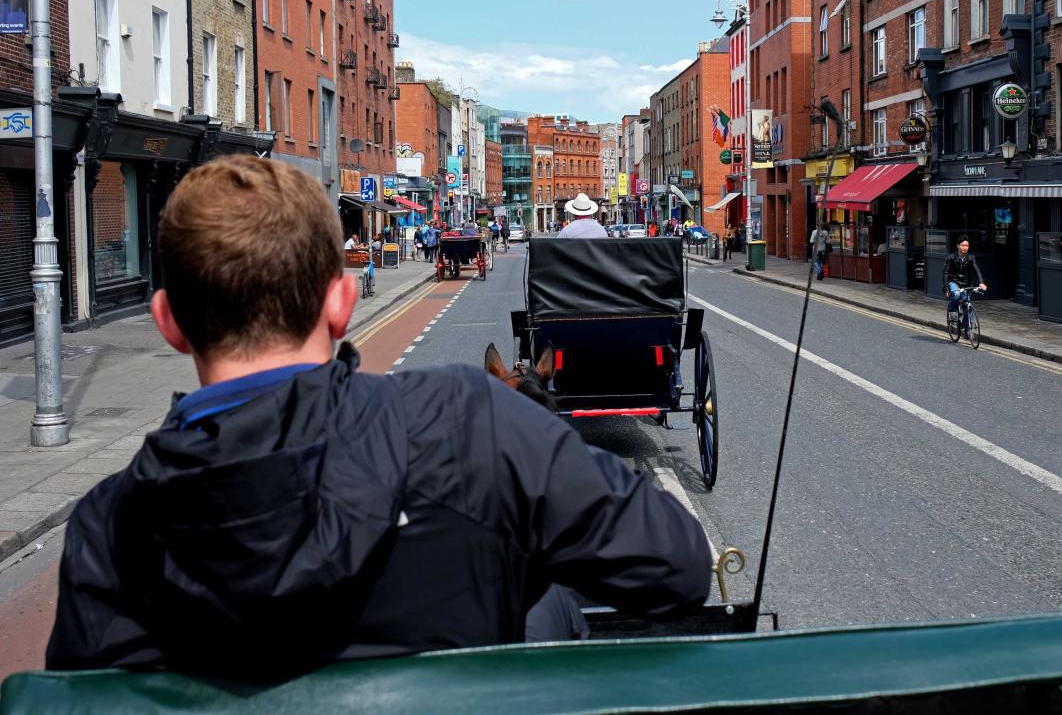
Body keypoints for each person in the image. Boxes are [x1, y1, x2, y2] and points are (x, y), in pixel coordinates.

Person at [45, 156, 709, 677]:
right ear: (342, 301)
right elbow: (677, 565)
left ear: (169, 323)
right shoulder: (468, 422)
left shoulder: (108, 528)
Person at [944, 235, 988, 326]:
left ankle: (968, 330)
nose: (965, 248)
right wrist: (946, 289)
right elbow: (945, 273)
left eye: (967, 246)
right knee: (956, 295)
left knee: (967, 305)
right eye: (963, 245)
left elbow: (976, 270)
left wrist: (981, 283)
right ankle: (952, 310)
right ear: (958, 246)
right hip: (953, 281)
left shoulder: (971, 258)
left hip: (966, 283)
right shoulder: (951, 257)